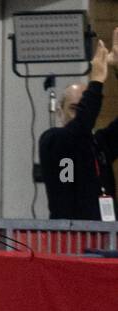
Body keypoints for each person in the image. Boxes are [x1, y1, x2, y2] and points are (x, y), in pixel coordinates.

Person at [40, 31, 118, 221]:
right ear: (60, 111)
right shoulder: (53, 139)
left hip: (105, 238)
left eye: (83, 109)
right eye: (75, 108)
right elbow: (78, 130)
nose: (81, 114)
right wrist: (97, 81)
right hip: (68, 240)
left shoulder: (99, 144)